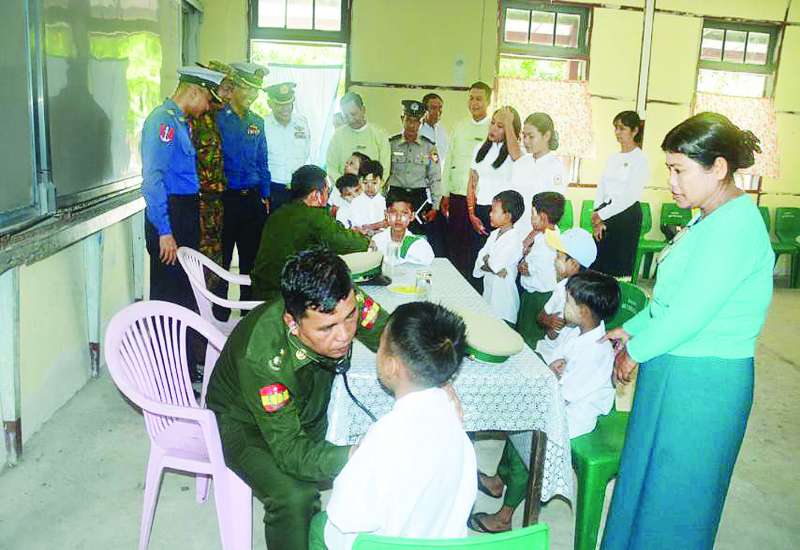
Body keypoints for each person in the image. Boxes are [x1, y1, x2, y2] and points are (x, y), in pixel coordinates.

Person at [600, 113, 773, 550]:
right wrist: (631, 329)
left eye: (680, 170)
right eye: (669, 169)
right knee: (645, 479)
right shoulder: (707, 217)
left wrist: (635, 352)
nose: (671, 182)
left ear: (718, 168)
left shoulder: (735, 226)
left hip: (704, 382)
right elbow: (672, 299)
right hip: (673, 365)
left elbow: (691, 314)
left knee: (677, 495)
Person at [206, 248, 389, 550]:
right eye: (327, 328)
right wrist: (357, 455)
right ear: (292, 323)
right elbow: (291, 451)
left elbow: (391, 336)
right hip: (242, 421)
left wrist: (435, 379)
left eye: (350, 318)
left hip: (306, 395)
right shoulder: (264, 358)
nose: (344, 335)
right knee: (295, 497)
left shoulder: (342, 297)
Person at [308, 302, 476, 549]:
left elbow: (345, 514)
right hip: (441, 541)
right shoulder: (456, 424)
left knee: (319, 525)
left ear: (391, 366)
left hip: (388, 545)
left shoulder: (386, 435)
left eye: (380, 346)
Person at [469, 270, 620, 534]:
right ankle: (499, 479)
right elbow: (557, 360)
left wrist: (553, 376)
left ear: (584, 311)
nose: (563, 305)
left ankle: (505, 516)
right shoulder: (577, 332)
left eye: (569, 301)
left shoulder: (596, 349)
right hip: (561, 398)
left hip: (576, 413)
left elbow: (569, 393)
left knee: (528, 434)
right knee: (517, 417)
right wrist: (554, 369)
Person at [141, 66, 225, 312]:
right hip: (171, 214)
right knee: (169, 294)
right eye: (207, 100)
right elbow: (152, 179)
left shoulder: (180, 121)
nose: (207, 107)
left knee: (185, 291)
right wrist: (164, 231)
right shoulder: (163, 122)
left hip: (184, 212)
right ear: (194, 92)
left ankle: (185, 338)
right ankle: (167, 338)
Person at [250, 165, 370, 302]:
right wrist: (365, 239)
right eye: (327, 192)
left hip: (263, 288)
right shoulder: (313, 215)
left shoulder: (280, 212)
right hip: (283, 297)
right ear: (315, 195)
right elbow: (345, 242)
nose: (327, 197)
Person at [215, 62, 271, 306]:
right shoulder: (217, 118)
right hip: (225, 200)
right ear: (234, 87)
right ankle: (219, 314)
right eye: (248, 88)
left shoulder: (257, 122)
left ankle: (249, 314)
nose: (252, 95)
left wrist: (265, 194)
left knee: (251, 262)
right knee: (222, 261)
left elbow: (262, 161)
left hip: (253, 201)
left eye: (256, 90)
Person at [187, 61, 236, 287]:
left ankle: (210, 305)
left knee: (213, 264)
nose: (229, 95)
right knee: (198, 265)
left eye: (231, 89)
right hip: (199, 204)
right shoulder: (194, 118)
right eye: (225, 89)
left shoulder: (215, 117)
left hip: (215, 204)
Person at [467, 106, 521, 291]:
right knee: (477, 262)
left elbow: (517, 156)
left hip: (502, 215)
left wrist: (509, 123)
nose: (493, 129)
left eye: (500, 126)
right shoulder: (479, 149)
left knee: (496, 267)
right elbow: (471, 183)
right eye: (492, 123)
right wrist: (472, 213)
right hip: (481, 212)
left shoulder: (515, 152)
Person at [591, 111, 649, 277]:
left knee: (618, 267)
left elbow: (630, 195)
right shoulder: (613, 157)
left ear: (635, 130)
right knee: (599, 264)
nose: (617, 132)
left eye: (622, 128)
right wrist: (597, 212)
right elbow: (602, 186)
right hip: (605, 212)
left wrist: (601, 215)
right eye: (616, 128)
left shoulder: (640, 159)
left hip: (626, 215)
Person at [443, 82, 492, 278]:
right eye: (471, 98)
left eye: (479, 99)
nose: (474, 103)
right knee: (456, 243)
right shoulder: (460, 126)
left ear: (488, 101)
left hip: (481, 200)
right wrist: (445, 193)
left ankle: (474, 284)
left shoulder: (493, 128)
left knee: (476, 246)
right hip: (457, 195)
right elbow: (449, 160)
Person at [535, 228, 598, 362]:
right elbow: (541, 317)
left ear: (574, 264)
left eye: (559, 257)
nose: (555, 260)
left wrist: (553, 328)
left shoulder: (583, 297)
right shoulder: (561, 287)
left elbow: (553, 335)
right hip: (547, 350)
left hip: (560, 359)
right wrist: (549, 321)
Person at [386, 100, 443, 246]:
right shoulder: (391, 144)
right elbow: (384, 174)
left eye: (416, 121)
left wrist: (436, 206)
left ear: (421, 122)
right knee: (392, 235)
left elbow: (435, 177)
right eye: (408, 120)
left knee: (418, 238)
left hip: (418, 200)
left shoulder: (429, 147)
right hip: (395, 195)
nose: (412, 125)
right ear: (402, 119)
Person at [516, 192, 565, 347]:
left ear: (543, 217)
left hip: (538, 298)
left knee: (529, 339)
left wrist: (524, 266)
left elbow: (528, 268)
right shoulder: (552, 233)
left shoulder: (545, 244)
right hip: (541, 294)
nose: (531, 219)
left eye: (533, 214)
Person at [472, 190, 525, 324]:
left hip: (504, 304)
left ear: (507, 216)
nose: (490, 214)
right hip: (488, 297)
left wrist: (489, 261)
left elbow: (494, 264)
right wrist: (490, 264)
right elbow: (480, 260)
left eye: (494, 211)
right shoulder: (493, 234)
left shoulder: (514, 239)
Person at [510, 113, 567, 234]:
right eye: (524, 136)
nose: (526, 141)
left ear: (546, 136)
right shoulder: (520, 163)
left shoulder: (556, 168)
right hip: (516, 230)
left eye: (531, 136)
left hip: (541, 235)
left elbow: (552, 213)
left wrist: (531, 237)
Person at [264, 82, 311, 212]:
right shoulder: (264, 125)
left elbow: (306, 151)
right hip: (274, 188)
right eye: (279, 104)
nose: (285, 109)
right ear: (270, 104)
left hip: (298, 188)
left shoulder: (302, 123)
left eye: (288, 104)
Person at [326, 92, 391, 184]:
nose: (350, 119)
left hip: (371, 190)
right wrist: (346, 187)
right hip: (344, 189)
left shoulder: (379, 134)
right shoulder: (337, 136)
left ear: (363, 110)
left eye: (353, 114)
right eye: (346, 116)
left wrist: (369, 187)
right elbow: (331, 168)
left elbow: (384, 170)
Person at [370, 188, 435, 266]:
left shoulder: (419, 244)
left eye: (404, 213)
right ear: (386, 214)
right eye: (393, 212)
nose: (398, 218)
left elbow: (427, 262)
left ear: (412, 216)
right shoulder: (377, 241)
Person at [350, 159, 387, 235]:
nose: (370, 187)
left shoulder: (385, 203)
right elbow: (355, 227)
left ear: (382, 182)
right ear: (359, 182)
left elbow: (388, 226)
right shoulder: (355, 203)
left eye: (374, 183)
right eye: (365, 182)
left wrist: (371, 229)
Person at [420, 93, 449, 177]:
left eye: (440, 108)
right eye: (433, 108)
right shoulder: (417, 130)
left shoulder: (441, 130)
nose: (438, 112)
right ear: (425, 110)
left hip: (440, 177)